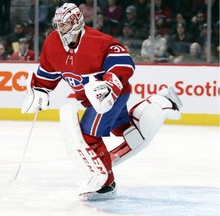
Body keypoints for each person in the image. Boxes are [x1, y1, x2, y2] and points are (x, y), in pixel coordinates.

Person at [21, 3, 182, 201]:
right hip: (90, 100)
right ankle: (159, 103)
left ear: (75, 23)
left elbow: (124, 62)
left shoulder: (98, 41)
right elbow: (48, 71)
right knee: (120, 127)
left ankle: (106, 185)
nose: (59, 29)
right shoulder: (53, 42)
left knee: (88, 135)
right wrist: (40, 89)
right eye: (58, 25)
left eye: (63, 25)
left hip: (112, 96)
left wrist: (110, 85)